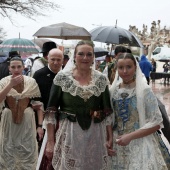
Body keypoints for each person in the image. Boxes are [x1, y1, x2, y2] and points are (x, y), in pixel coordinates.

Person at [44, 40, 114, 169]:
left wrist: (110, 137)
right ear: (74, 56)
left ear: (93, 57)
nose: (85, 58)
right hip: (70, 132)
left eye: (89, 54)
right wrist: (50, 141)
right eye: (81, 54)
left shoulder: (101, 79)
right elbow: (51, 112)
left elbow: (107, 111)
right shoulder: (62, 78)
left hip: (95, 133)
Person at [110, 53, 170, 169]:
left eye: (129, 67)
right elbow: (110, 119)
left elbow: (157, 122)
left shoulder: (144, 91)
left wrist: (130, 136)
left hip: (140, 143)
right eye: (121, 67)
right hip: (117, 144)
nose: (125, 71)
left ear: (135, 67)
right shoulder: (113, 91)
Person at [0, 57, 44, 169]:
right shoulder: (4, 81)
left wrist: (40, 126)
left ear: (23, 67)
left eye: (19, 66)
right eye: (13, 67)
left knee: (27, 149)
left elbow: (39, 105)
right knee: (8, 148)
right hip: (9, 119)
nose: (16, 69)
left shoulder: (31, 82)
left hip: (27, 121)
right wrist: (10, 84)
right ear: (9, 68)